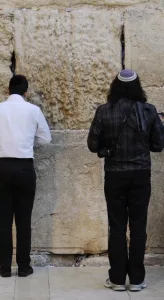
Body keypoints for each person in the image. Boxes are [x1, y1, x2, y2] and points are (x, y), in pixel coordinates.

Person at [87, 69, 164, 292]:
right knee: (139, 226)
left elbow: (93, 145)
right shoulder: (149, 111)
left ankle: (118, 279)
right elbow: (158, 145)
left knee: (117, 226)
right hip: (141, 175)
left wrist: (105, 149)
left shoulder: (104, 111)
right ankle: (138, 280)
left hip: (115, 175)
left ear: (115, 86)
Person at [0, 75, 51, 278]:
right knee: (23, 220)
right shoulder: (33, 110)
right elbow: (46, 139)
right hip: (24, 168)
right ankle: (23, 267)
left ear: (7, 90)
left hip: (2, 168)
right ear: (26, 92)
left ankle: (4, 268)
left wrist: (2, 139)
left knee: (3, 221)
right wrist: (27, 141)